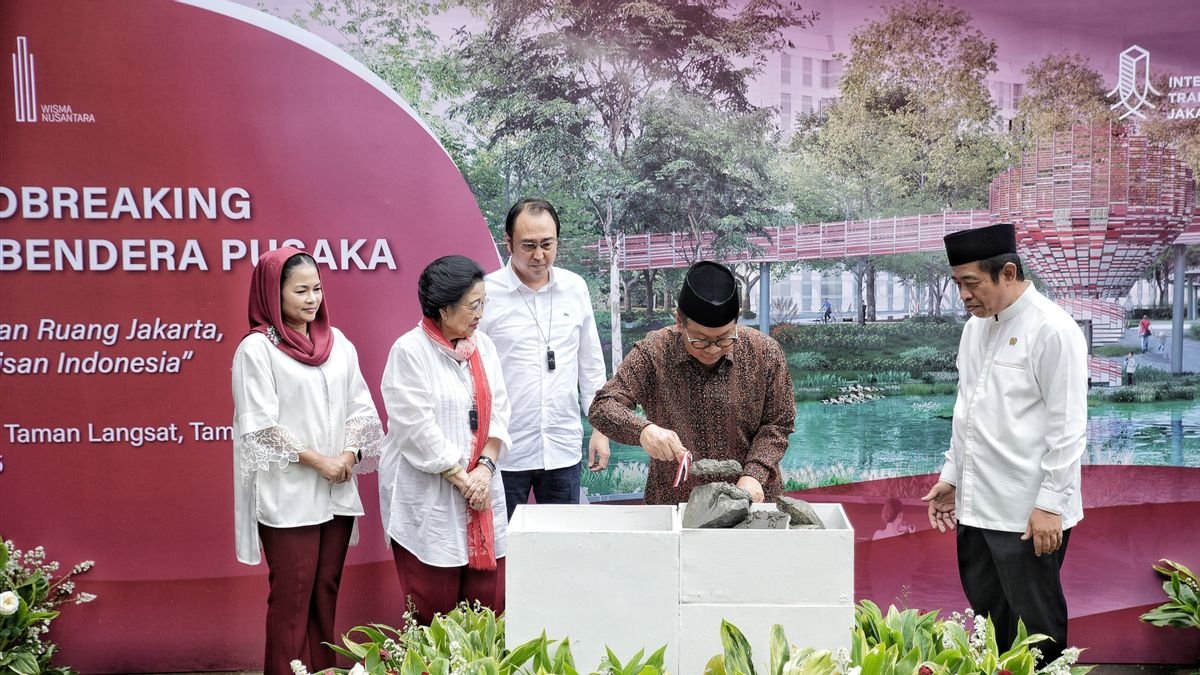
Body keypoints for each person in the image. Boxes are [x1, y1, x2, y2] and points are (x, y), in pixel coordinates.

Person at [922, 223, 1086, 665]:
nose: (964, 296)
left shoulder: (1054, 330)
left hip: (1028, 514)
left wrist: (1051, 503)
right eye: (957, 284)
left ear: (1007, 272)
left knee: (1039, 635)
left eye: (972, 283)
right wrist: (951, 477)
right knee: (987, 628)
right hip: (975, 508)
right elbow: (966, 411)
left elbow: (1068, 429)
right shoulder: (974, 330)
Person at [231, 247, 383, 675]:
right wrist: (321, 461)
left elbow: (362, 410)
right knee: (292, 600)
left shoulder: (339, 344)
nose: (312, 299)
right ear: (271, 293)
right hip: (288, 496)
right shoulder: (256, 351)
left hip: (334, 491)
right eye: (300, 290)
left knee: (324, 594)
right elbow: (259, 427)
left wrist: (349, 454)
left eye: (317, 288)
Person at [588, 260, 794, 506]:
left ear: (736, 322)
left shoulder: (765, 352)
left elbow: (778, 422)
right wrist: (643, 431)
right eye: (700, 340)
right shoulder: (654, 352)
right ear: (679, 321)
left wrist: (755, 473)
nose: (713, 349)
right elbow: (603, 406)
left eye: (724, 339)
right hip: (675, 501)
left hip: (752, 498)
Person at [378, 255, 512, 622]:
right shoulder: (409, 351)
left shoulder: (482, 346)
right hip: (430, 499)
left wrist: (484, 470)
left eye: (484, 302)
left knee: (487, 612)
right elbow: (414, 428)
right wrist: (462, 479)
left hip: (482, 493)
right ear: (444, 308)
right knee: (431, 612)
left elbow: (500, 412)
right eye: (473, 305)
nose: (480, 313)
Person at [479, 198, 610, 519]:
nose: (539, 256)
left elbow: (591, 365)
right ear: (508, 242)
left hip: (562, 447)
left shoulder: (574, 288)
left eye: (547, 244)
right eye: (528, 246)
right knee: (503, 551)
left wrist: (601, 428)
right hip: (504, 450)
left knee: (561, 546)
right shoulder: (485, 293)